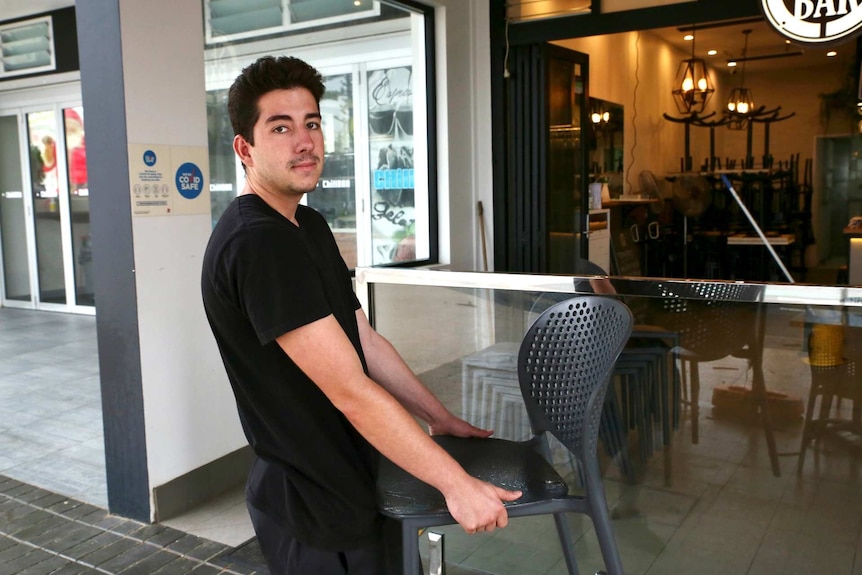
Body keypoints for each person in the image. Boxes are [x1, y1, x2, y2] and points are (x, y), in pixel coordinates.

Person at [201, 55, 521, 575]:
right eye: (279, 127)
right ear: (245, 147)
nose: (304, 141)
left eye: (312, 123)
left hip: (356, 472)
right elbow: (350, 389)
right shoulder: (258, 244)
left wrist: (437, 417)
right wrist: (455, 484)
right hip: (313, 499)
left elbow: (363, 340)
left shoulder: (307, 225)